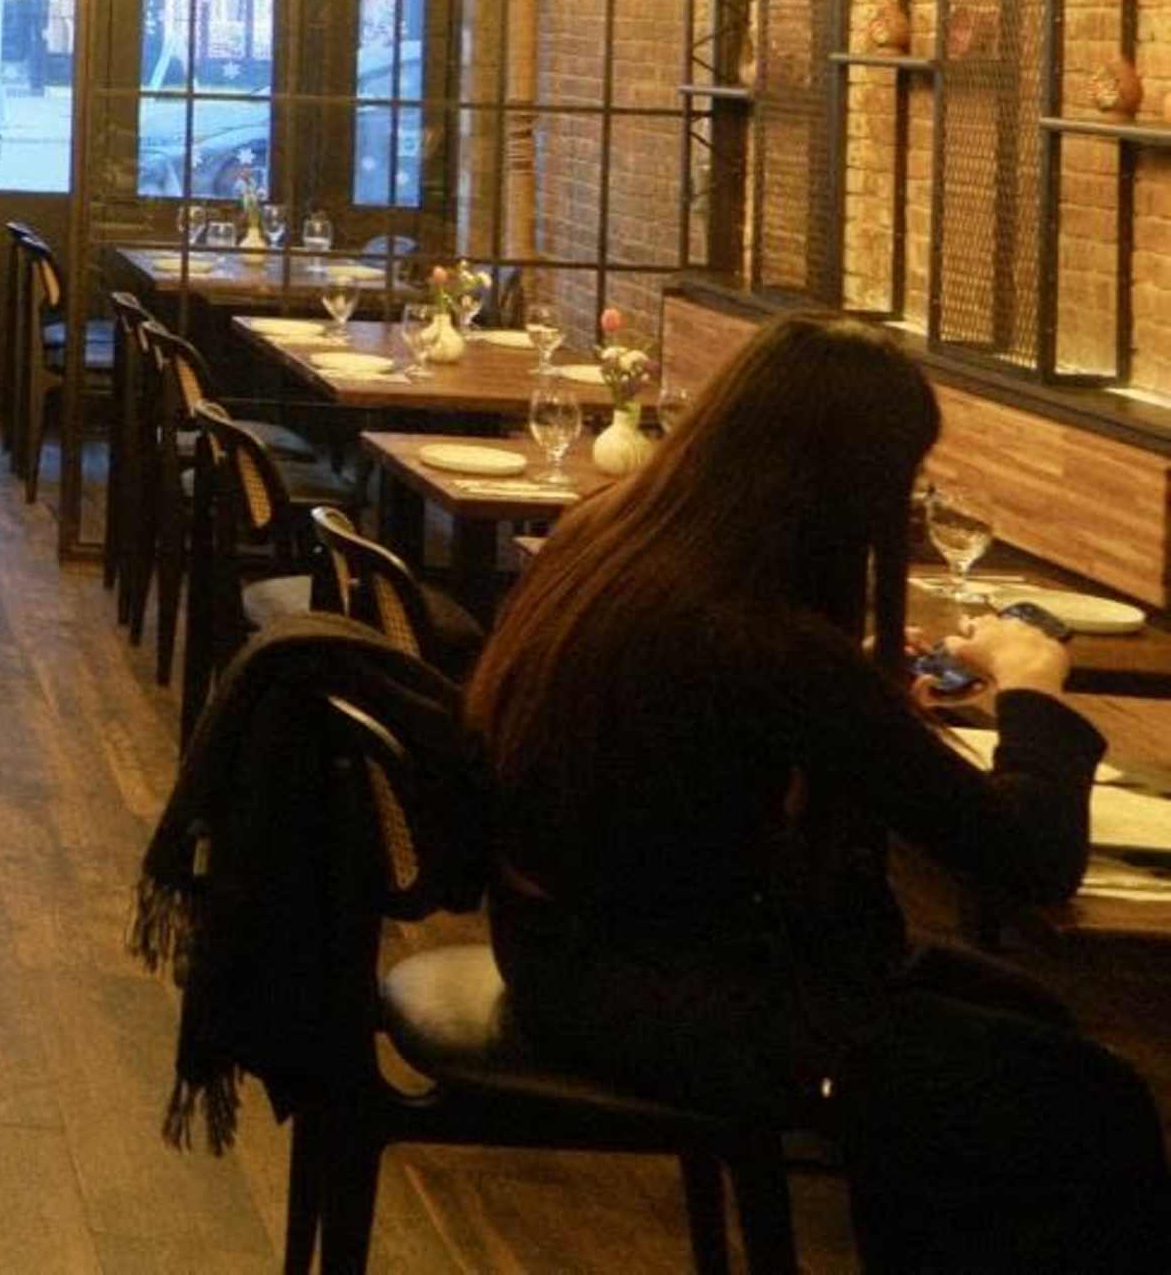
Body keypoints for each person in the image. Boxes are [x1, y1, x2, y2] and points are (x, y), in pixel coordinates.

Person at [467, 313, 1169, 1269]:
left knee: (1024, 1024)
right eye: (900, 480)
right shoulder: (757, 636)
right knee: (1091, 1102)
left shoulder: (617, 537)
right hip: (665, 992)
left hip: (565, 948)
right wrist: (1032, 695)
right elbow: (1032, 860)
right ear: (843, 486)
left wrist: (870, 706)